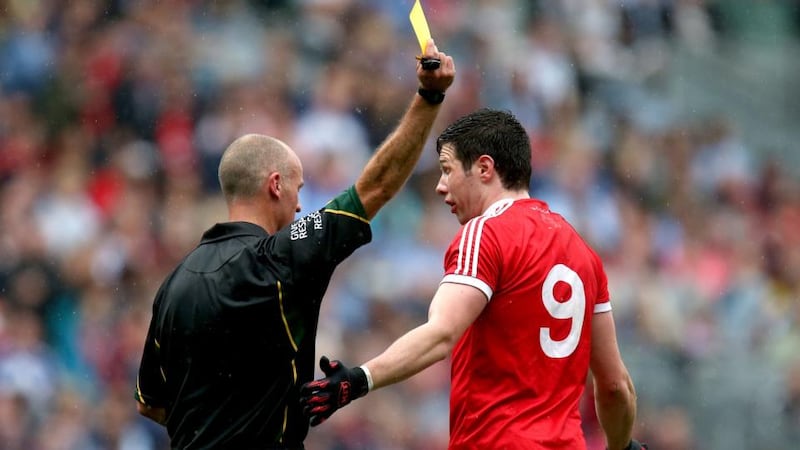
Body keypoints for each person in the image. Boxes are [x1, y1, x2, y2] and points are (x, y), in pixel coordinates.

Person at [133, 39, 455, 450]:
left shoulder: (172, 285)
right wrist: (430, 96)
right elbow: (377, 186)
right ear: (275, 185)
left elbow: (151, 404)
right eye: (298, 188)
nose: (301, 204)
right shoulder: (281, 256)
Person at [300, 108, 646, 450]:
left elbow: (442, 334)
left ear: (484, 168)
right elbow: (616, 386)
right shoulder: (583, 254)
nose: (439, 186)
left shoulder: (485, 233)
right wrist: (621, 445)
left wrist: (359, 379)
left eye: (447, 170)